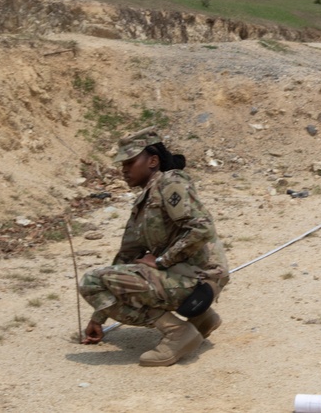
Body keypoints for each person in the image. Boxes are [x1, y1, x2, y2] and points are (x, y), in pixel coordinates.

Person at [78, 128, 229, 367]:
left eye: (130, 162)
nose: (124, 170)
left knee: (90, 281)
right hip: (185, 277)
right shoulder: (143, 203)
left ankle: (177, 332)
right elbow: (124, 259)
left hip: (201, 278)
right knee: (104, 279)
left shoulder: (170, 182)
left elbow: (202, 228)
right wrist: (99, 316)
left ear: (153, 161)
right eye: (122, 164)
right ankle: (202, 319)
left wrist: (161, 261)